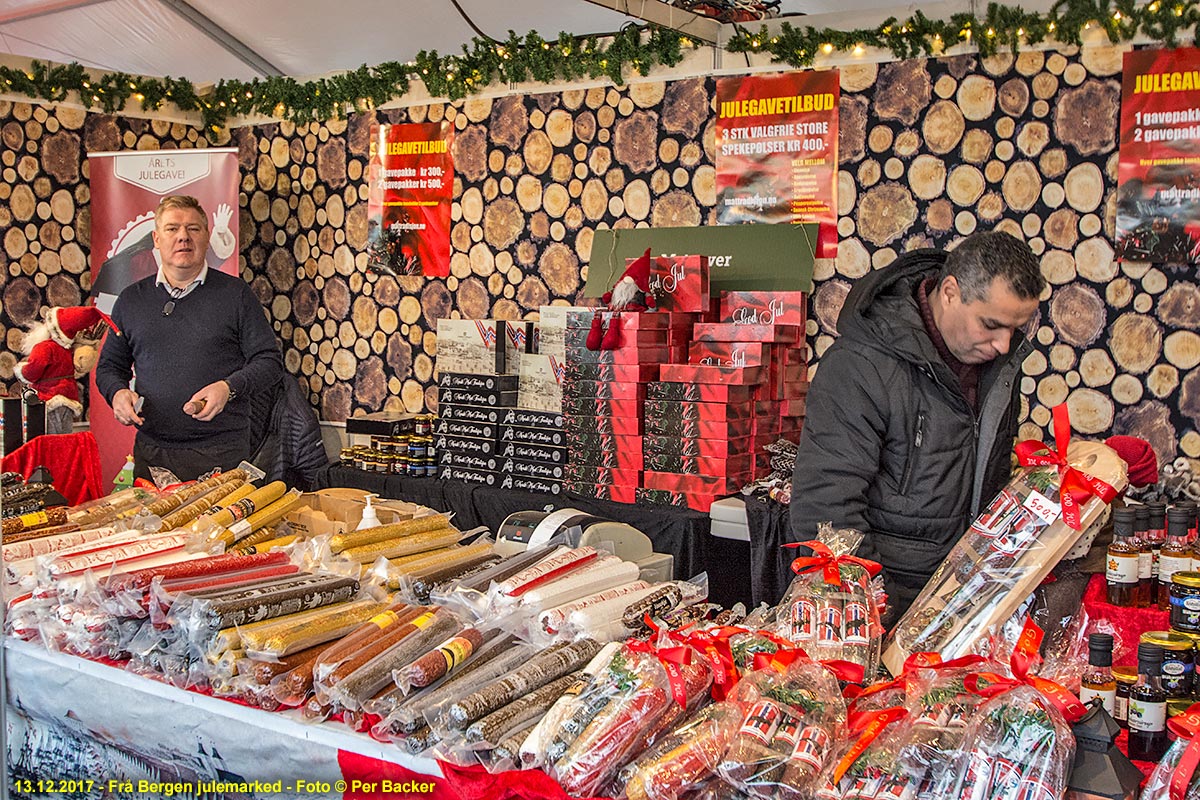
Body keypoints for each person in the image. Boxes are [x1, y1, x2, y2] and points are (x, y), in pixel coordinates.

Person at [788, 230, 1045, 619]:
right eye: (991, 325)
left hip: (964, 602)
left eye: (1015, 328)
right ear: (950, 293)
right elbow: (826, 508)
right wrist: (879, 611)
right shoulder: (860, 364)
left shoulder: (998, 369)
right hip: (886, 604)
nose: (1004, 345)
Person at [95, 195, 283, 481]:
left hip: (223, 453)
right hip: (152, 452)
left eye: (193, 229)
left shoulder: (236, 295)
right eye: (172, 229)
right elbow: (109, 367)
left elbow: (269, 362)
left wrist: (228, 388)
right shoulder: (131, 300)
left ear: (207, 237)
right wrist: (117, 393)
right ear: (156, 239)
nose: (183, 236)